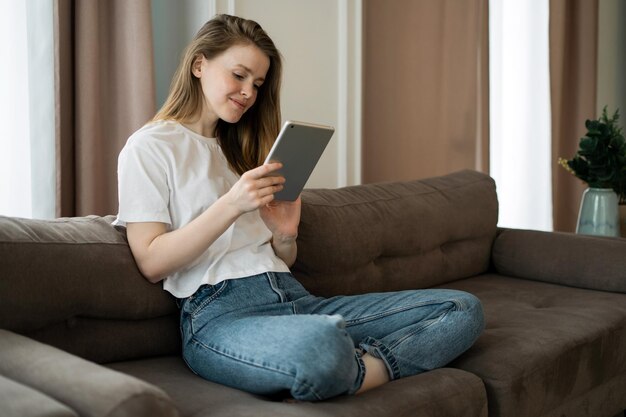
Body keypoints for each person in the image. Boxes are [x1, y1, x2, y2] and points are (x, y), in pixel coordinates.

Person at [114, 14, 484, 402]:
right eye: (239, 75)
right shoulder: (151, 146)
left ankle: (358, 369)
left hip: (294, 297)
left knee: (461, 308)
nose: (248, 92)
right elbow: (151, 261)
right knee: (320, 346)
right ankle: (339, 358)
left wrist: (285, 234)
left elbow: (281, 260)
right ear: (199, 64)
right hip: (221, 316)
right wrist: (231, 205)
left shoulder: (241, 151)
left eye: (257, 84)